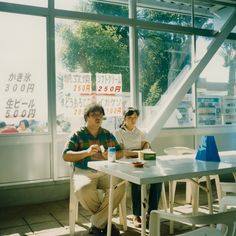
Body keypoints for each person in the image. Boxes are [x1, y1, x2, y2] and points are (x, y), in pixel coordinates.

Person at [63, 103, 125, 236]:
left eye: (100, 115)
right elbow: (66, 155)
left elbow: (121, 153)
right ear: (86, 117)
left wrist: (110, 154)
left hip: (105, 172)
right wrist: (86, 152)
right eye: (94, 115)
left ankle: (97, 224)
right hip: (83, 172)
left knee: (121, 184)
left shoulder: (107, 134)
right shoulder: (77, 134)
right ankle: (107, 223)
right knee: (83, 190)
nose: (98, 117)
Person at [114, 107, 162, 228]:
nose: (133, 120)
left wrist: (143, 147)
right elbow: (121, 152)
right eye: (130, 117)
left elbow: (146, 146)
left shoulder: (140, 132)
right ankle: (137, 215)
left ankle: (152, 213)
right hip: (125, 164)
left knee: (158, 179)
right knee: (137, 182)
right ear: (124, 118)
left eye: (135, 117)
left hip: (142, 162)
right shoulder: (118, 133)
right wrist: (139, 151)